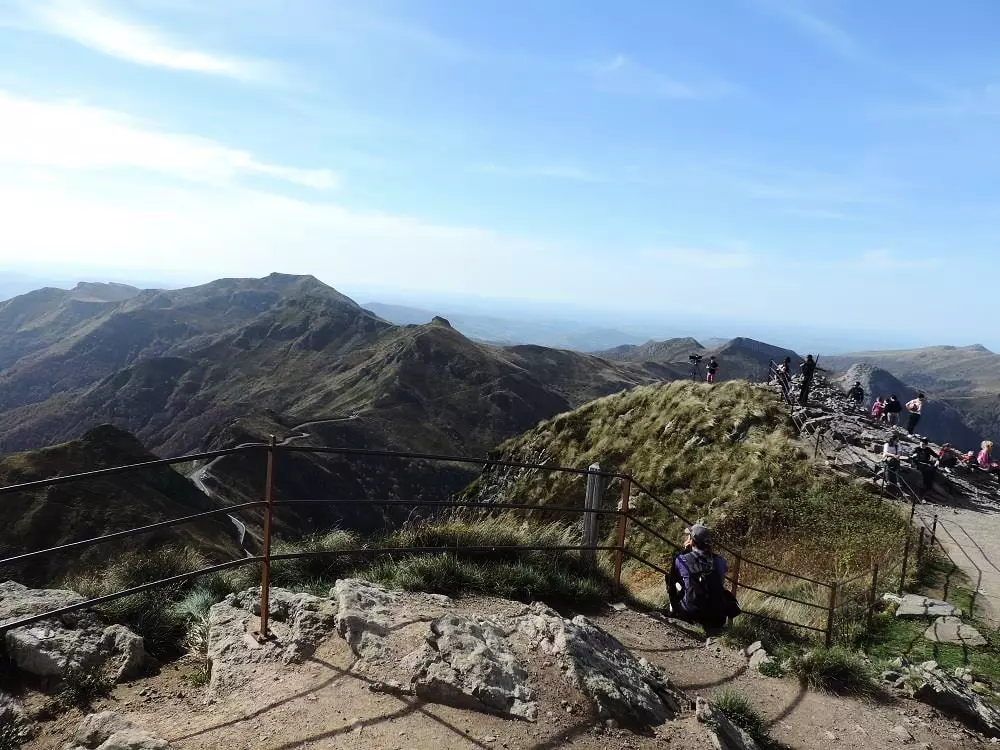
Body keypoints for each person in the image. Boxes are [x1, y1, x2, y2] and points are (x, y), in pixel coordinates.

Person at [667, 523, 740, 633]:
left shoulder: (682, 559)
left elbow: (674, 577)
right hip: (717, 616)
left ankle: (673, 610)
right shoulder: (720, 561)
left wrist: (686, 551)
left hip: (690, 613)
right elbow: (720, 573)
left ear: (691, 541)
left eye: (689, 536)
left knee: (671, 578)